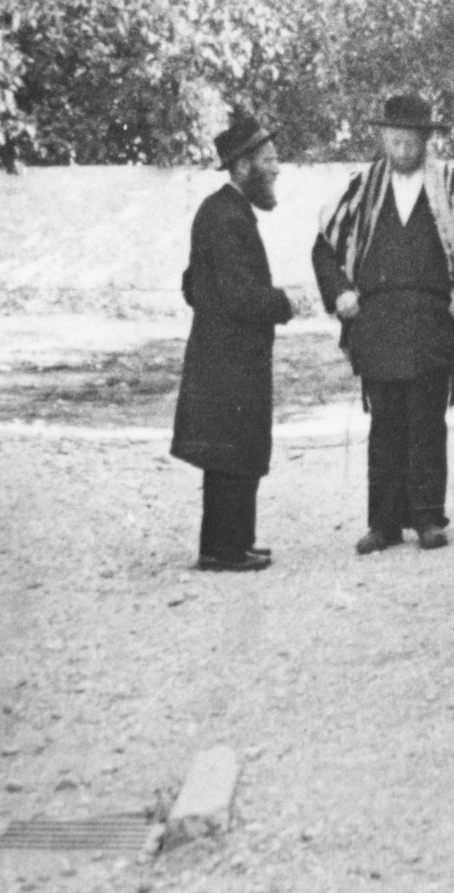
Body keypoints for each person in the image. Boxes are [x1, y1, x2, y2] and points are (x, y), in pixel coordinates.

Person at [312, 94, 454, 555]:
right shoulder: (359, 189)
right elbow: (323, 250)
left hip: (433, 323)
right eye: (393, 137)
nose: (401, 145)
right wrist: (340, 293)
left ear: (425, 139)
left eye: (410, 137)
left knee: (427, 421)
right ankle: (384, 523)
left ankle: (429, 519)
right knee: (385, 424)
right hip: (376, 324)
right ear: (382, 138)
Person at [171, 110, 296, 572]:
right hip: (228, 357)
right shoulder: (228, 217)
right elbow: (242, 296)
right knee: (231, 451)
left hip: (224, 352)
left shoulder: (222, 210)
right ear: (242, 167)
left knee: (236, 448)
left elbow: (192, 285)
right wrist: (284, 303)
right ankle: (222, 550)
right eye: (268, 158)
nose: (276, 167)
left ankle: (235, 541)